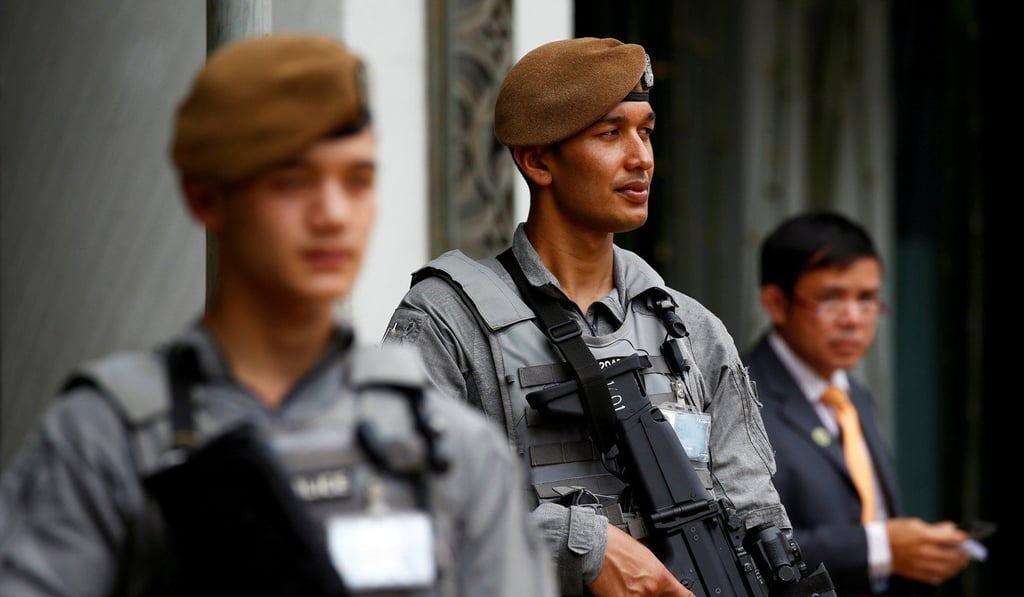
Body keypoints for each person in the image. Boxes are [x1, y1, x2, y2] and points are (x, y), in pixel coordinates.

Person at [0, 33, 555, 597]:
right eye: (292, 180)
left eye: (357, 180)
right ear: (205, 197)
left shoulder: (449, 447)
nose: (334, 215)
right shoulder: (106, 440)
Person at [382, 37, 820, 597]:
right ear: (538, 160)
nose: (640, 157)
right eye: (609, 134)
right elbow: (403, 506)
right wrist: (583, 544)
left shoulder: (690, 330)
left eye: (646, 131)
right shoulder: (449, 321)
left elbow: (755, 511)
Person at [742, 210, 973, 596]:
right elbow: (744, 545)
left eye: (867, 299)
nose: (853, 319)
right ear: (777, 303)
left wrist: (916, 551)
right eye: (831, 299)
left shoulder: (851, 391)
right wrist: (882, 547)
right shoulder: (743, 397)